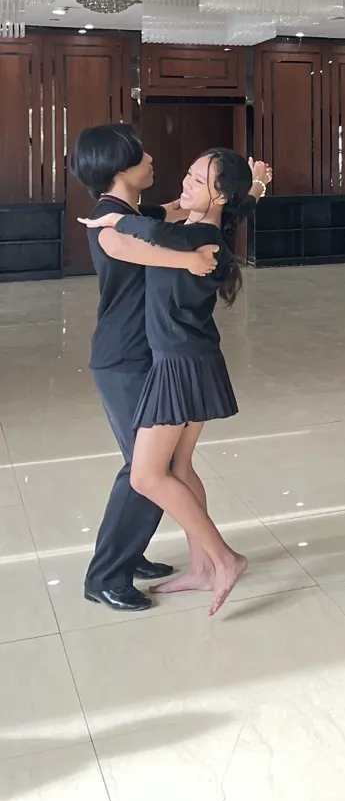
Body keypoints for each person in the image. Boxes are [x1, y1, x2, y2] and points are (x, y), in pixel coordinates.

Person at [80, 149, 269, 616]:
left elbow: (151, 228)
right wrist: (255, 187)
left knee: (146, 474)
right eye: (186, 171)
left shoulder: (196, 238)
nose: (182, 183)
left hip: (179, 365)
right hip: (187, 360)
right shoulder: (196, 233)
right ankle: (204, 566)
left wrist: (113, 221)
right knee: (178, 469)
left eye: (195, 178)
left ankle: (223, 559)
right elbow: (166, 219)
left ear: (219, 193)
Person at [70, 124, 226, 613]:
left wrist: (252, 185)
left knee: (151, 464)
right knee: (143, 468)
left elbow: (184, 210)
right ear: (121, 169)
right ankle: (107, 575)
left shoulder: (134, 211)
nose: (151, 158)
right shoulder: (109, 219)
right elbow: (132, 247)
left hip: (147, 353)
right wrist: (189, 261)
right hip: (124, 358)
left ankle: (128, 554)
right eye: (141, 155)